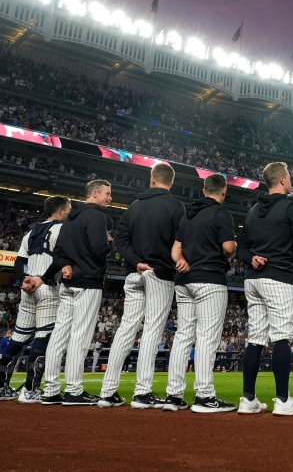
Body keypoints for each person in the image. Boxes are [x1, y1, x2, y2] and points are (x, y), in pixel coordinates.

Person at [99, 163, 185, 409]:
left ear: (152, 179)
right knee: (152, 331)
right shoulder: (176, 207)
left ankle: (107, 392)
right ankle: (142, 392)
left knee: (126, 329)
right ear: (171, 181)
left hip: (134, 274)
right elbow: (182, 242)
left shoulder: (133, 207)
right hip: (160, 274)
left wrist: (136, 262)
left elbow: (120, 240)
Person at [237, 162, 293, 416]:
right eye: (289, 175)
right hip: (279, 277)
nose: (291, 179)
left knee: (256, 337)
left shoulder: (253, 210)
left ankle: (248, 399)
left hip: (253, 278)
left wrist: (252, 259)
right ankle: (283, 400)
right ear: (281, 179)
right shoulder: (292, 208)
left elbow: (241, 249)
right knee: (281, 336)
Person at [163, 174, 237, 413]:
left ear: (203, 189)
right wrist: (230, 250)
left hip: (184, 281)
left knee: (184, 336)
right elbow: (228, 248)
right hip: (210, 279)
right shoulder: (221, 213)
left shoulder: (188, 214)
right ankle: (204, 396)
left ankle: (173, 395)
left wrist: (182, 260)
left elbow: (176, 250)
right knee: (207, 338)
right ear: (223, 191)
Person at [0, 196, 67, 403]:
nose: (70, 213)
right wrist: (42, 278)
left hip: (27, 289)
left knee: (18, 338)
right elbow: (60, 260)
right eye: (68, 209)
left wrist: (24, 278)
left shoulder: (30, 232)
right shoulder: (62, 229)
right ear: (60, 211)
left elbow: (20, 261)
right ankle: (30, 389)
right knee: (42, 338)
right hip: (47, 288)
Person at [42, 179, 113, 406]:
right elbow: (99, 249)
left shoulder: (69, 219)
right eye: (107, 194)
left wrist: (65, 264)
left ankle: (50, 389)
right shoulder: (97, 217)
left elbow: (59, 252)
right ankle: (74, 390)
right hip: (88, 282)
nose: (110, 198)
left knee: (59, 334)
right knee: (80, 336)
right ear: (94, 193)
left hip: (68, 283)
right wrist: (109, 242)